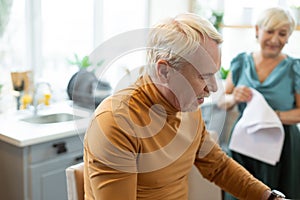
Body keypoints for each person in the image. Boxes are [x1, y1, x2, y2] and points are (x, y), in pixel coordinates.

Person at [83, 13, 285, 200]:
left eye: (214, 74)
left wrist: (270, 197)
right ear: (164, 71)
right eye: (203, 76)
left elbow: (218, 167)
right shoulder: (116, 122)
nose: (213, 88)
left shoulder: (188, 108)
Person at [218, 7, 300, 199]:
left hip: (283, 145)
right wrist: (234, 97)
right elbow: (222, 102)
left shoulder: (294, 68)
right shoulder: (241, 63)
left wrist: (272, 117)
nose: (275, 39)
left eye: (282, 34)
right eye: (270, 31)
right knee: (239, 191)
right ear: (257, 30)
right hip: (244, 143)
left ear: (288, 37)